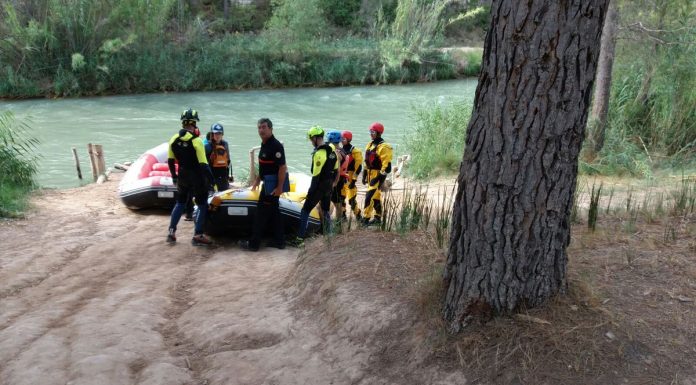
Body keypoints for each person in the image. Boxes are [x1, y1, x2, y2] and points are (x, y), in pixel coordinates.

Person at [166, 108, 215, 246]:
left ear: (183, 123)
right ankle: (198, 235)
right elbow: (204, 165)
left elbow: (170, 160)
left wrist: (174, 177)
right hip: (197, 177)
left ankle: (171, 232)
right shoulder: (196, 140)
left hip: (182, 175)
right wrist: (212, 181)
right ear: (194, 124)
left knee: (180, 203)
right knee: (202, 205)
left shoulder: (173, 139)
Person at [240, 118, 287, 251]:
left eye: (264, 127)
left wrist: (279, 187)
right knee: (275, 212)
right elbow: (264, 166)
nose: (261, 130)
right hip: (267, 184)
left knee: (261, 214)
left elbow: (282, 167)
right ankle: (280, 242)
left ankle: (253, 245)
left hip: (272, 187)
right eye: (259, 128)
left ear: (271, 129)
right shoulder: (265, 144)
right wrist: (257, 180)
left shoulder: (275, 146)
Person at [295, 126, 337, 243]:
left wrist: (310, 192)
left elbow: (316, 177)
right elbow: (336, 169)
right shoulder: (332, 149)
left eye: (311, 139)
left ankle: (300, 238)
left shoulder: (319, 154)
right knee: (325, 209)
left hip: (320, 186)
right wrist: (333, 184)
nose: (311, 142)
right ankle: (329, 235)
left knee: (305, 211)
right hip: (329, 185)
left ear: (315, 138)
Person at [361, 122, 393, 226]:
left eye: (373, 132)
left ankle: (365, 219)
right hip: (370, 174)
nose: (370, 134)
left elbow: (387, 167)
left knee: (369, 196)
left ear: (379, 133)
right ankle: (378, 218)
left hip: (377, 175)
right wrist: (364, 175)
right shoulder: (370, 145)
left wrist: (378, 178)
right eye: (370, 131)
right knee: (376, 197)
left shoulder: (384, 147)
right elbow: (366, 162)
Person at [340, 130, 363, 221]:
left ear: (349, 139)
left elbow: (359, 167)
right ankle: (343, 215)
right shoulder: (340, 150)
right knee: (341, 198)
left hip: (350, 178)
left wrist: (354, 180)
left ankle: (358, 215)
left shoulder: (355, 151)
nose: (342, 140)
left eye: (344, 139)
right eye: (341, 138)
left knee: (351, 200)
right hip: (342, 178)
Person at [205, 123, 233, 191]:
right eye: (216, 133)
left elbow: (228, 161)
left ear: (222, 134)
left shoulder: (225, 144)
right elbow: (204, 165)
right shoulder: (207, 146)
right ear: (212, 134)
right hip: (212, 179)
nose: (218, 135)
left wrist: (228, 177)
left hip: (223, 178)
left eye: (219, 133)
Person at [326, 130, 346, 220]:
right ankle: (338, 221)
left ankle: (336, 222)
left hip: (335, 181)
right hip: (341, 180)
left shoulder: (336, 153)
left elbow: (336, 169)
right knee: (337, 202)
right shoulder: (342, 150)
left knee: (335, 202)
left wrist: (334, 182)